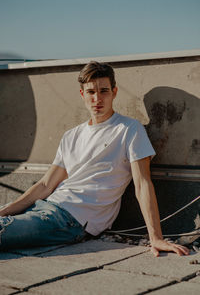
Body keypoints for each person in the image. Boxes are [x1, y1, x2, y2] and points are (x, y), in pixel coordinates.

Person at [0, 61, 189, 257]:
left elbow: (142, 184)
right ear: (82, 95)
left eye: (104, 91)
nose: (97, 98)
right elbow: (45, 185)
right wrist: (5, 210)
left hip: (69, 221)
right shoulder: (71, 135)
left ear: (114, 92)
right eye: (91, 92)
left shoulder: (129, 130)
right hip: (45, 206)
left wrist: (155, 237)